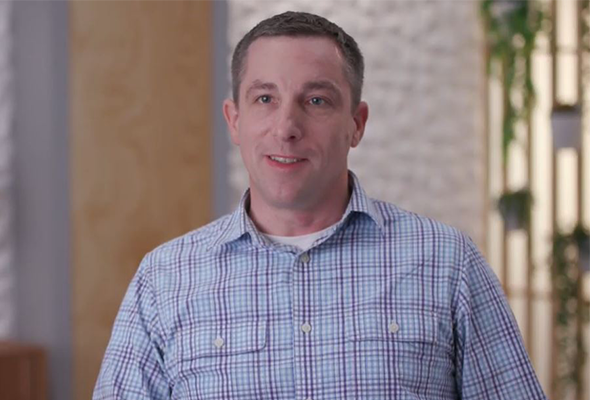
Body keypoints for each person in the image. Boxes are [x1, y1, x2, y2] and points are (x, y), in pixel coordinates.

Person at [93, 11, 545, 400]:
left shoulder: (448, 265)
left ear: (356, 124)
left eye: (316, 100)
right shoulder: (163, 280)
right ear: (235, 120)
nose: (287, 127)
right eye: (265, 99)